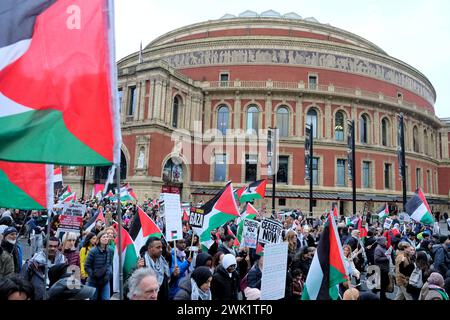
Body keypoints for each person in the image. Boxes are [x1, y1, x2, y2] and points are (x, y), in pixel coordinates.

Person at [84, 230, 113, 300]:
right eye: (104, 237)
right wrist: (93, 275)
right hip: (93, 281)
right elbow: (87, 266)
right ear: (99, 239)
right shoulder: (93, 251)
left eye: (107, 237)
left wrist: (109, 274)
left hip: (105, 281)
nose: (106, 238)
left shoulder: (110, 250)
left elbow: (110, 264)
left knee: (106, 298)